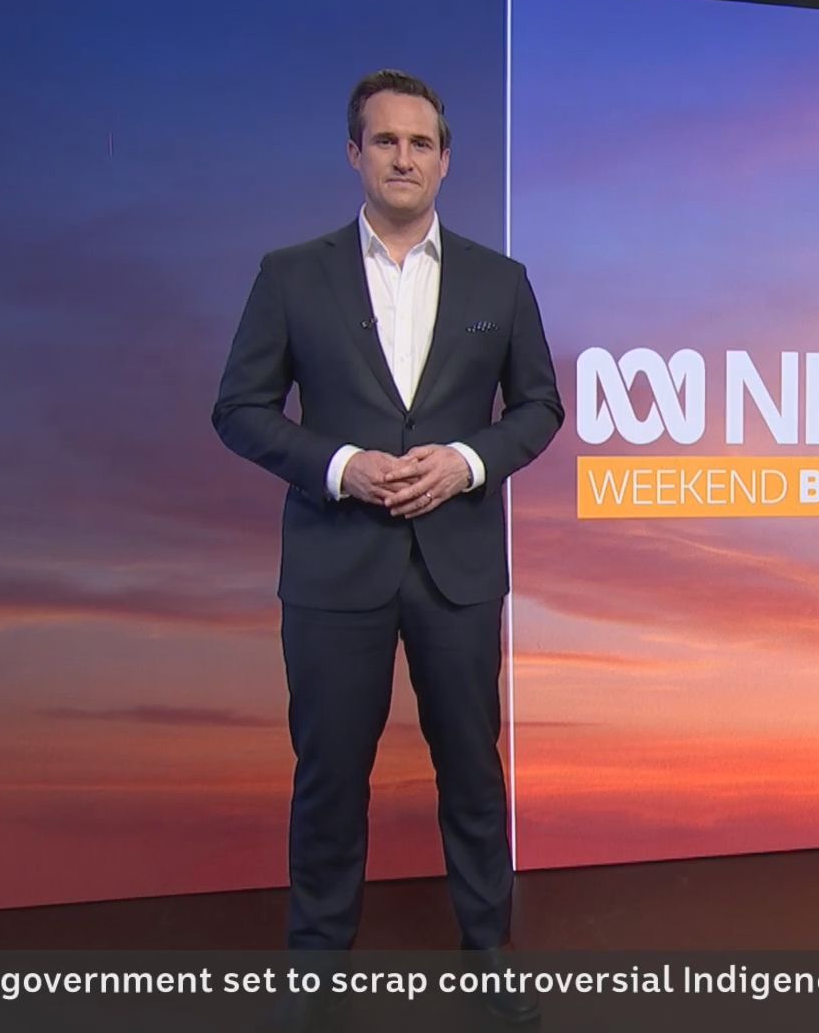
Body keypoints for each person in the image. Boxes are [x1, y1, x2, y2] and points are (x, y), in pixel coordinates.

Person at [212, 69, 562, 1023]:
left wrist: (465, 461)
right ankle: (316, 972)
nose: (403, 157)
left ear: (445, 161)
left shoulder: (500, 280)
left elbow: (539, 407)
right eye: (385, 141)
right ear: (354, 154)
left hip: (458, 570)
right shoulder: (292, 274)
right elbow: (239, 409)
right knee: (329, 778)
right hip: (334, 564)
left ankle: (489, 955)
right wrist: (340, 466)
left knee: (473, 772)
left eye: (421, 143)